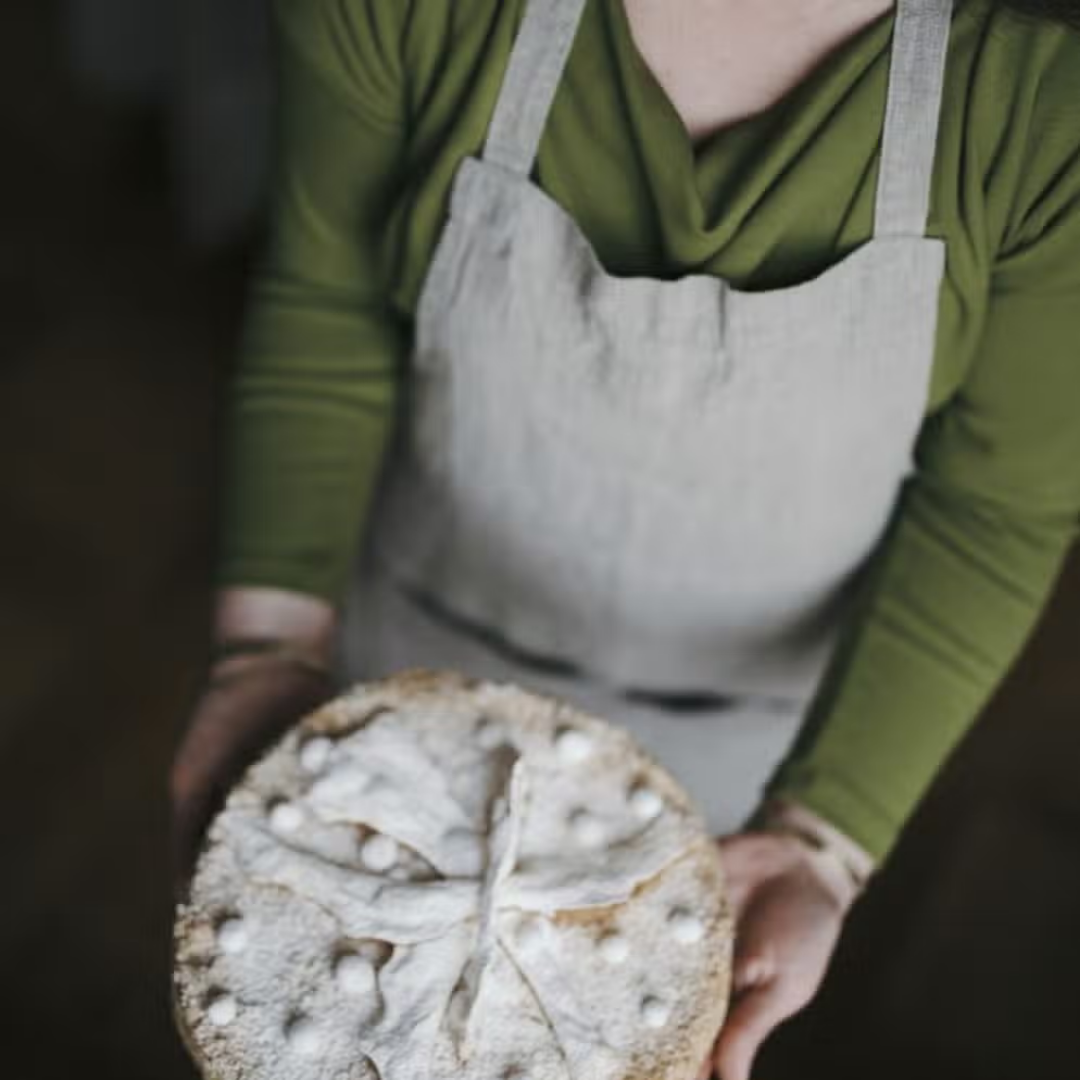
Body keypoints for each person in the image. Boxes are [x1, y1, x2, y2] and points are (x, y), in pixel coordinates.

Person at [170, 0, 1080, 1076]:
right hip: (413, 654)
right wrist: (267, 645)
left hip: (763, 739)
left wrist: (821, 838)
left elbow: (998, 503)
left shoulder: (1040, 102)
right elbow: (329, 298)